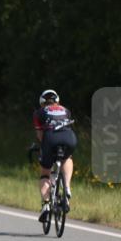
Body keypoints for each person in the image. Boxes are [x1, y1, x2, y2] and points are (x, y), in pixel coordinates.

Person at [33, 89, 77, 223]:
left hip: (51, 138)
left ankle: (46, 204)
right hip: (69, 138)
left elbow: (41, 136)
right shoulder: (66, 110)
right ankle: (67, 188)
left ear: (42, 103)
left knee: (45, 174)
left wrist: (44, 149)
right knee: (67, 158)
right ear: (57, 101)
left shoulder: (38, 112)